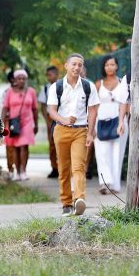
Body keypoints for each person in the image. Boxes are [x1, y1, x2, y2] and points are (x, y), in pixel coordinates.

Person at [47, 54, 100, 216]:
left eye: (80, 65)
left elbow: (92, 111)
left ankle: (79, 199)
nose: (77, 68)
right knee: (63, 169)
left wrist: (90, 132)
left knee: (78, 167)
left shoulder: (88, 86)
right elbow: (51, 111)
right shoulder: (56, 87)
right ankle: (66, 203)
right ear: (66, 66)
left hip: (80, 131)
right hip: (61, 130)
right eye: (74, 64)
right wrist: (64, 119)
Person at [93, 56, 128, 194]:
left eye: (112, 64)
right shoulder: (98, 84)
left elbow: (126, 103)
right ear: (103, 67)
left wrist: (123, 121)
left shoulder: (122, 83)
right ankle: (104, 183)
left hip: (119, 121)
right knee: (102, 153)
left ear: (117, 66)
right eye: (107, 65)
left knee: (117, 153)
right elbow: (93, 107)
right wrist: (91, 127)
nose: (109, 67)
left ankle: (114, 185)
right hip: (101, 121)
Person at [2, 69, 38, 181]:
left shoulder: (31, 91)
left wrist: (35, 124)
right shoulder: (9, 92)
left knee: (24, 146)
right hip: (14, 123)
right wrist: (3, 124)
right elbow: (5, 108)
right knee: (15, 147)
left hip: (27, 122)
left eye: (23, 78)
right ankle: (17, 172)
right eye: (19, 78)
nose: (21, 80)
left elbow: (35, 109)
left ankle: (23, 171)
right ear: (15, 80)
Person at [37, 66, 60, 178]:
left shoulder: (63, 86)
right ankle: (54, 168)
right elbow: (42, 105)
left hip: (61, 118)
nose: (48, 77)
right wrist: (47, 120)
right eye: (47, 75)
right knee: (52, 144)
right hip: (51, 119)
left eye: (50, 75)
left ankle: (63, 168)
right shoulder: (46, 88)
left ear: (56, 74)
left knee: (63, 143)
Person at [2, 70, 16, 176]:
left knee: (21, 145)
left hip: (21, 121)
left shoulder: (24, 91)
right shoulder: (6, 92)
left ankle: (20, 169)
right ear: (11, 79)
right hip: (9, 121)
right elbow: (4, 108)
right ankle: (10, 168)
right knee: (9, 145)